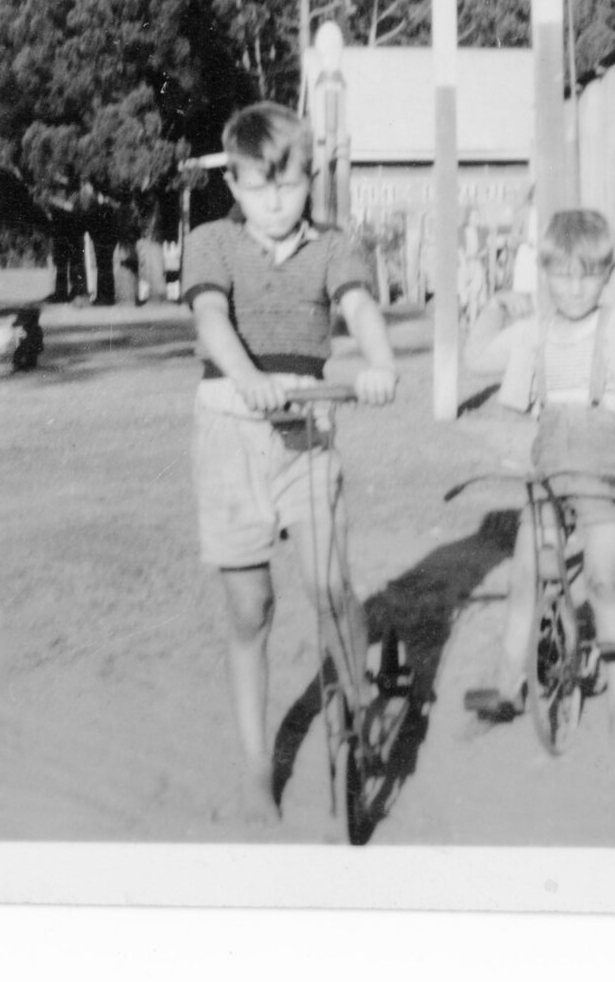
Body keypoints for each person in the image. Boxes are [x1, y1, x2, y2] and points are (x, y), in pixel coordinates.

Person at [181, 101, 399, 821]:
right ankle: (254, 764)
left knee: (329, 584)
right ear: (235, 187)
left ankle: (361, 700)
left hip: (306, 428)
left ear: (312, 178)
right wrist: (245, 375)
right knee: (252, 608)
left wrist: (378, 358)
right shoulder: (212, 242)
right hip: (232, 433)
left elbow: (359, 305)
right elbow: (212, 317)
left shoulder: (337, 246)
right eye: (258, 187)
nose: (275, 202)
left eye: (290, 185)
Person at [461, 207, 615, 739]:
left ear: (608, 274)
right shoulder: (534, 332)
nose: (575, 289)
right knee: (527, 572)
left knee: (602, 579)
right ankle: (507, 684)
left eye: (590, 274)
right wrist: (497, 307)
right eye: (563, 275)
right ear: (545, 274)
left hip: (607, 474)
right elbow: (477, 357)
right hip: (549, 474)